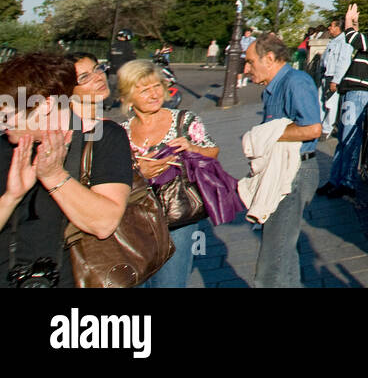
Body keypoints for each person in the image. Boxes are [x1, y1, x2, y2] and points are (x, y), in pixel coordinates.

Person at [0, 52, 132, 289]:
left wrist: (54, 176)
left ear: (46, 105)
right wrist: (11, 198)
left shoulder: (101, 138)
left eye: (8, 111)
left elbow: (103, 223)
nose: (2, 119)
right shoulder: (4, 145)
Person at [118, 59, 220, 288]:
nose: (154, 94)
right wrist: (139, 170)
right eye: (144, 90)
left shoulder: (184, 120)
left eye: (157, 87)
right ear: (127, 97)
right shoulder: (121, 133)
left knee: (170, 282)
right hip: (137, 219)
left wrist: (192, 148)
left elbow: (213, 151)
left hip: (178, 216)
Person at [243, 33, 322, 287]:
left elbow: (313, 129)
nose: (246, 69)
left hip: (294, 173)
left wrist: (268, 135)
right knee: (284, 253)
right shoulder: (273, 87)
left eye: (250, 62)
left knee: (272, 262)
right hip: (286, 172)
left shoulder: (295, 82)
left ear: (269, 58)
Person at [319, 4, 368, 199]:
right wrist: (354, 23)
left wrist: (349, 20)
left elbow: (354, 39)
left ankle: (347, 182)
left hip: (360, 93)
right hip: (353, 92)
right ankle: (336, 179)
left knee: (350, 138)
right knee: (344, 137)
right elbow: (359, 40)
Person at [317, 18, 353, 139]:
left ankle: (326, 129)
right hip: (326, 74)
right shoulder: (333, 41)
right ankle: (319, 126)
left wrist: (336, 80)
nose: (329, 28)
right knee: (321, 101)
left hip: (333, 77)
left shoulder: (344, 42)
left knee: (330, 104)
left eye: (332, 26)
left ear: (338, 28)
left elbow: (343, 63)